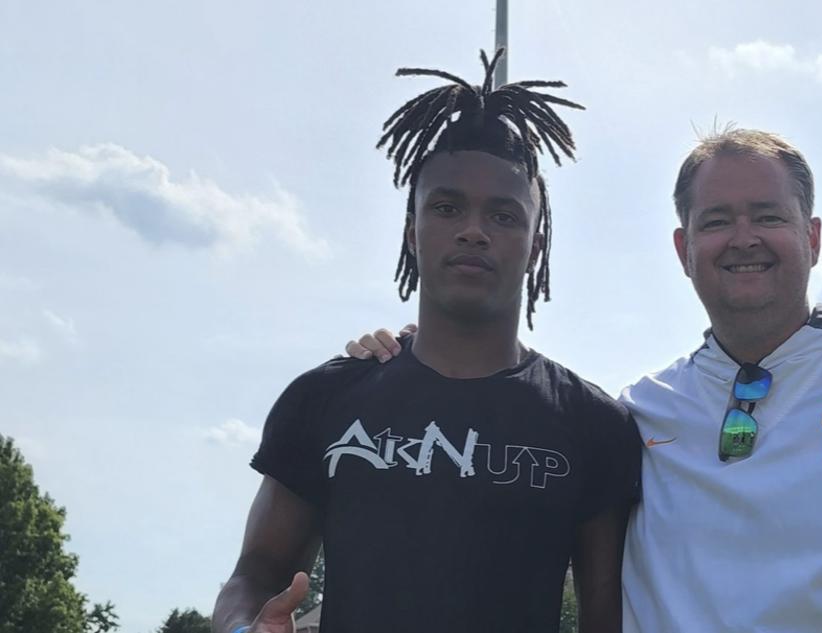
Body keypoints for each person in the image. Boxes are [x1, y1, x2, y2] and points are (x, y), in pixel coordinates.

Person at [349, 128, 822, 632]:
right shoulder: (636, 413)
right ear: (683, 250)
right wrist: (405, 360)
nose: (743, 238)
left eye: (768, 216)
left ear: (814, 237)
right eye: (716, 221)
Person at [213, 50, 641, 633]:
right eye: (446, 207)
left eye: (505, 215)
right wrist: (244, 627)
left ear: (536, 245)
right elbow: (256, 572)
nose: (473, 229)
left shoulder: (594, 424)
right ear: (411, 231)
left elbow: (606, 619)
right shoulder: (324, 398)